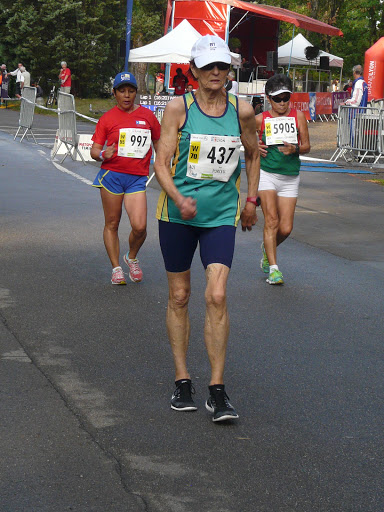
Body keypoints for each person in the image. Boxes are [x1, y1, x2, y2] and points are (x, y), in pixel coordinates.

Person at [154, 35, 260, 422]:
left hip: (219, 215)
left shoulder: (243, 110)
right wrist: (179, 199)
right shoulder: (177, 109)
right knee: (180, 295)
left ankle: (217, 390)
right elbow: (161, 163)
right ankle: (183, 379)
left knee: (216, 295)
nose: (216, 72)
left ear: (229, 72)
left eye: (223, 66)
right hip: (177, 215)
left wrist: (251, 200)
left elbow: (251, 155)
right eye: (208, 66)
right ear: (194, 71)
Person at [90, 72, 161, 285]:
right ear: (115, 93)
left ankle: (131, 257)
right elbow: (94, 151)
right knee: (112, 222)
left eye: (131, 91)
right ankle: (116, 268)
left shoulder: (148, 117)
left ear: (136, 93)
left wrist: (164, 164)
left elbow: (159, 142)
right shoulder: (107, 119)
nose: (127, 95)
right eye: (122, 91)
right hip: (112, 177)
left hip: (137, 178)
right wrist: (104, 154)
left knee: (140, 227)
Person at [255, 74, 310, 285]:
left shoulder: (298, 117)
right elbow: (246, 137)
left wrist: (295, 148)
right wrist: (255, 146)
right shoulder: (260, 119)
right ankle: (274, 270)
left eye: (286, 98)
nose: (282, 103)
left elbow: (307, 146)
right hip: (267, 174)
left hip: (290, 176)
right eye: (277, 99)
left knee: (286, 228)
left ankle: (268, 249)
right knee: (271, 221)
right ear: (268, 99)